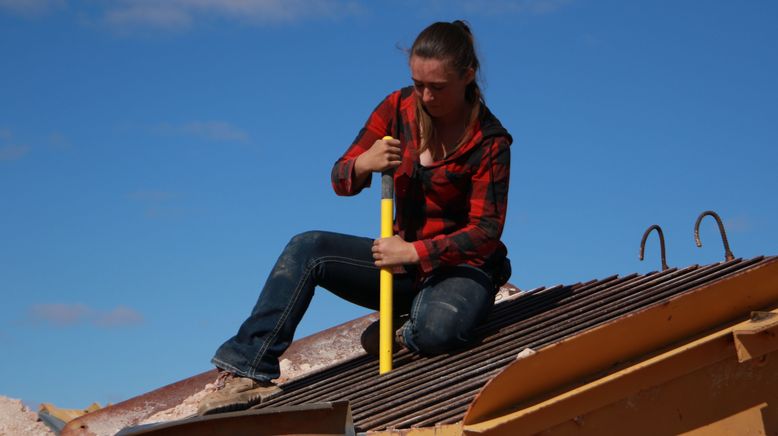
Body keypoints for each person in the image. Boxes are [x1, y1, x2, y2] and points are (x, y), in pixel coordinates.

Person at [197, 20, 513, 416]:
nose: (426, 96)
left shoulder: (490, 141)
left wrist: (414, 252)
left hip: (461, 269)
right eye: (418, 84)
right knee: (307, 247)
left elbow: (485, 231)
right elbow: (340, 178)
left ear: (467, 76)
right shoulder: (397, 109)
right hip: (401, 265)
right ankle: (248, 370)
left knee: (439, 331)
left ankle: (405, 330)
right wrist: (363, 164)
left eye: (438, 86)